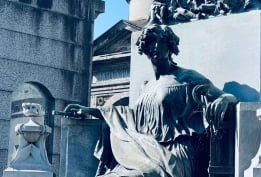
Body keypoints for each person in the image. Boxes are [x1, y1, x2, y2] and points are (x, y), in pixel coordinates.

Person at [64, 24, 238, 177]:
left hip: (174, 154)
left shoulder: (186, 77)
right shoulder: (146, 86)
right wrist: (91, 111)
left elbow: (227, 97)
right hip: (142, 149)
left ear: (169, 46)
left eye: (159, 42)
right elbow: (130, 117)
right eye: (149, 42)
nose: (154, 47)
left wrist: (224, 100)